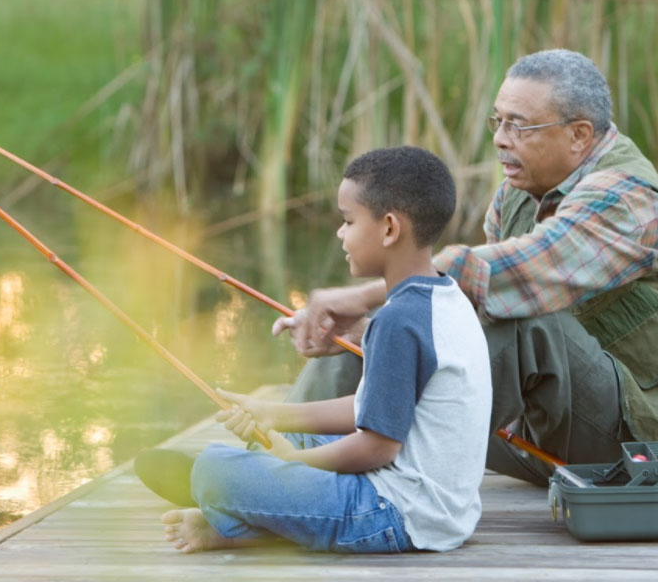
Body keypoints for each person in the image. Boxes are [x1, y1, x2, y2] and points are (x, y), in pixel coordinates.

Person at [275, 49, 658, 486]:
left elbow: (516, 276)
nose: (500, 140)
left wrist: (364, 295)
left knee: (521, 322)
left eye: (520, 125)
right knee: (381, 332)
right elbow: (458, 319)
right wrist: (370, 330)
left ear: (579, 135)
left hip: (646, 440)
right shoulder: (514, 195)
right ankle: (269, 463)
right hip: (542, 438)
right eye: (498, 121)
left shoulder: (626, 198)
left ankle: (335, 477)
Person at [155, 146, 492, 554]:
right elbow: (371, 408)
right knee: (280, 438)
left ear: (389, 229)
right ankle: (243, 511)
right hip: (442, 511)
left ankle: (231, 514)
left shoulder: (398, 321)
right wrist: (272, 414)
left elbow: (378, 446)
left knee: (214, 468)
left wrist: (291, 466)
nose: (339, 233)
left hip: (395, 514)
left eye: (348, 221)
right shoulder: (443, 297)